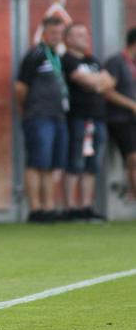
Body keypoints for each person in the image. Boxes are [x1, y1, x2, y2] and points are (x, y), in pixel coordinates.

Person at [15, 16, 69, 222]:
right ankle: (35, 209)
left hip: (58, 115)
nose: (57, 37)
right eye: (53, 33)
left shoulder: (57, 56)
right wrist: (30, 108)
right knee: (37, 162)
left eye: (60, 33)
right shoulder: (36, 55)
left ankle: (49, 207)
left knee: (51, 165)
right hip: (39, 116)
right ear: (44, 33)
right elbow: (20, 88)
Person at [61, 23, 114, 220]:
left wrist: (95, 82)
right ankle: (70, 207)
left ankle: (85, 205)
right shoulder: (66, 60)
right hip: (78, 118)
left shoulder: (93, 60)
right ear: (68, 39)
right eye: (79, 34)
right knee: (75, 162)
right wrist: (96, 82)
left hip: (98, 117)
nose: (84, 38)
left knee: (92, 165)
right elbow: (84, 80)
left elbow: (109, 83)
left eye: (85, 34)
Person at [103, 27, 136, 201]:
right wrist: (132, 105)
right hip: (121, 119)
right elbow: (107, 91)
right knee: (133, 159)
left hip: (132, 118)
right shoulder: (116, 61)